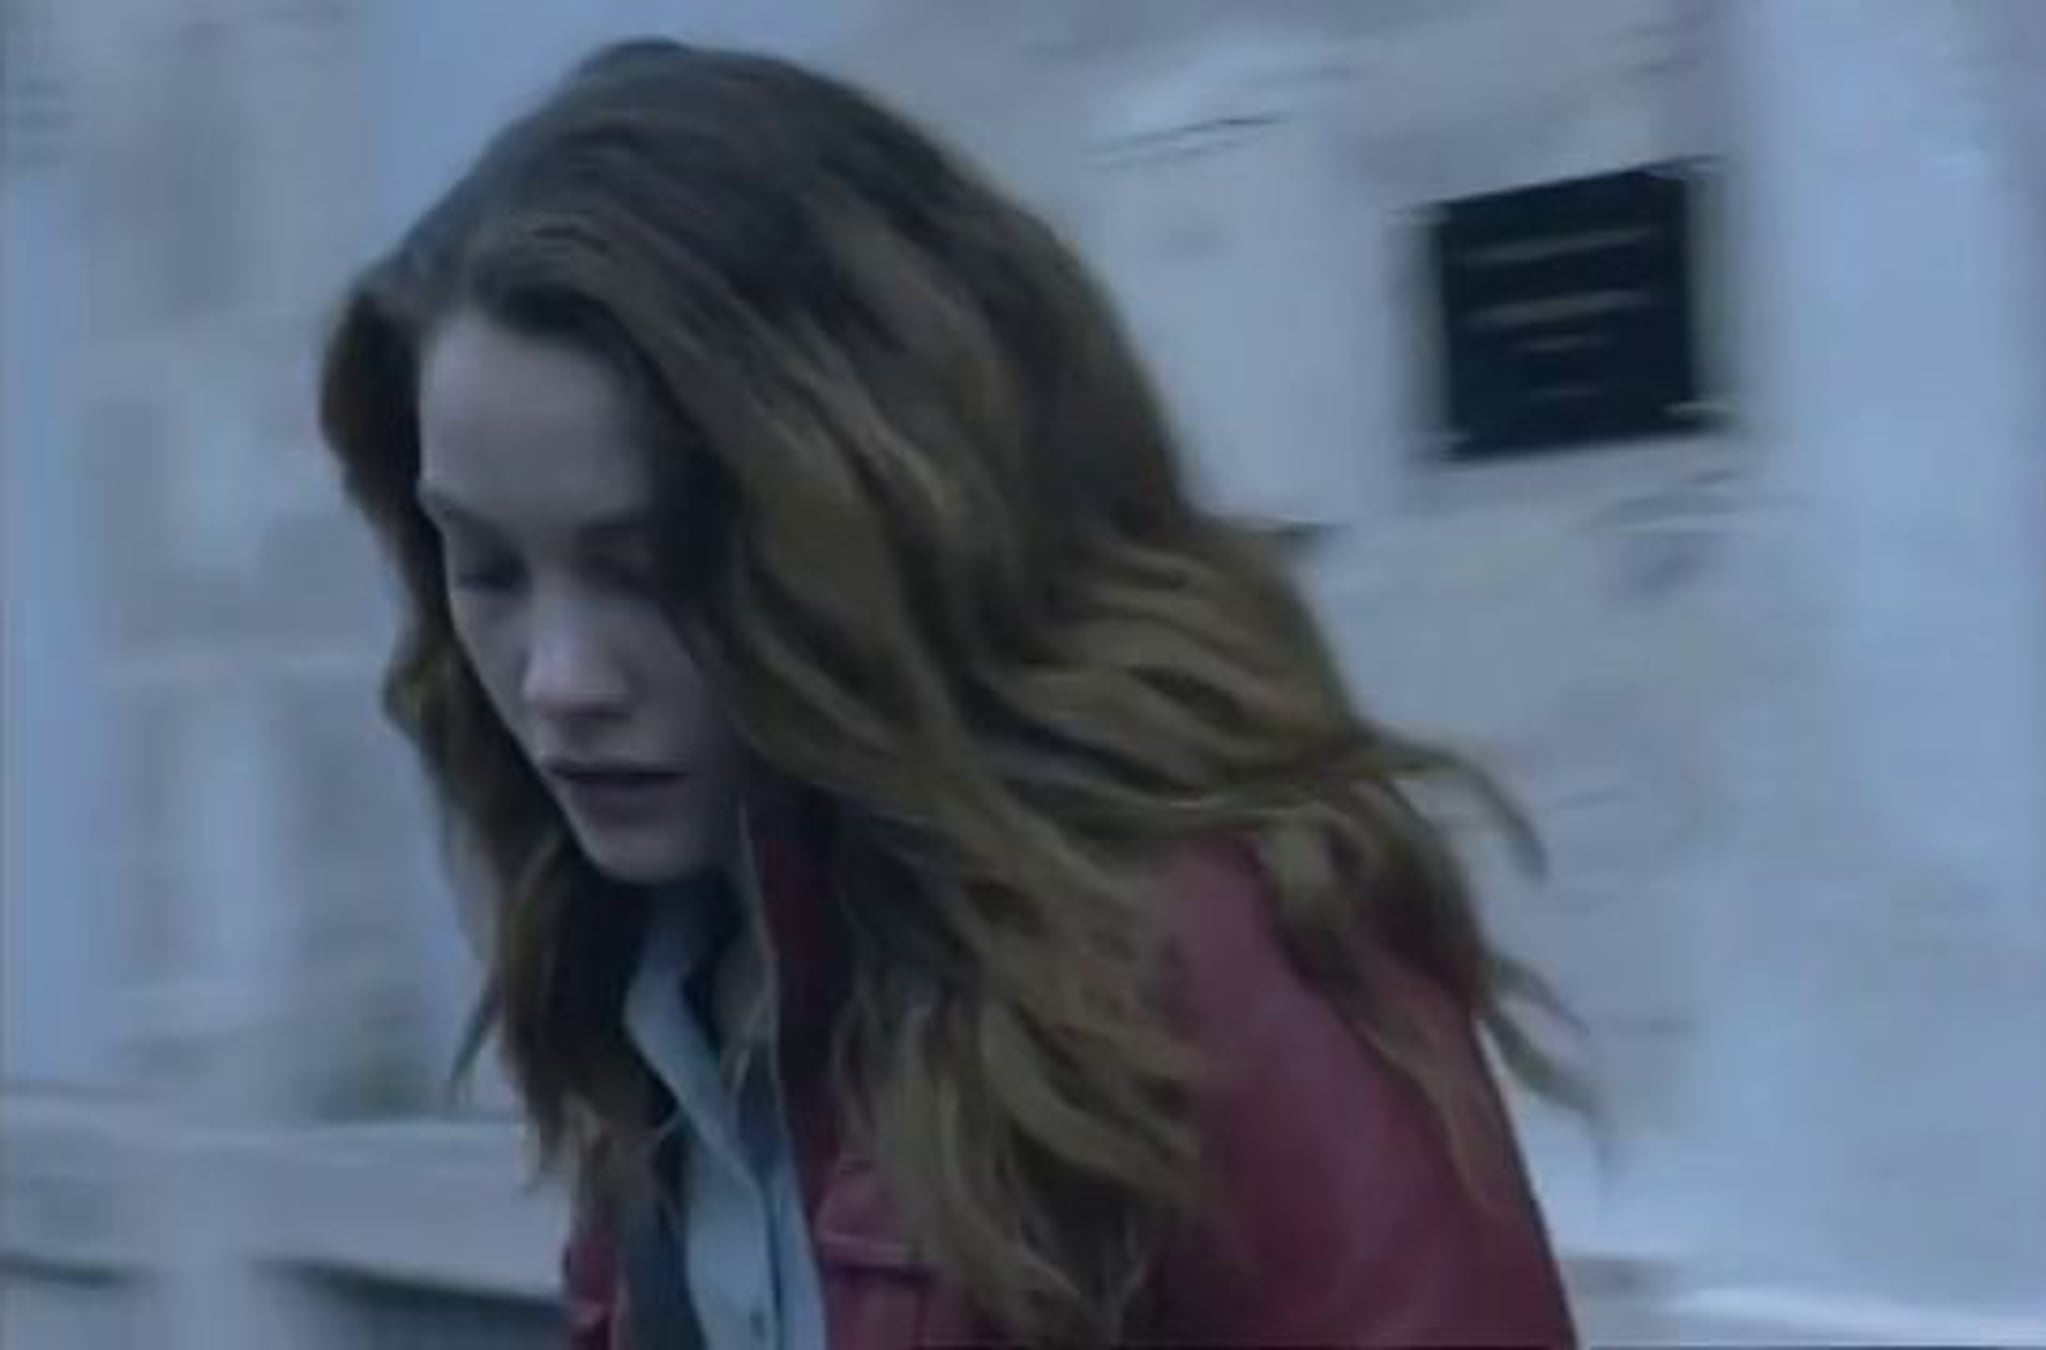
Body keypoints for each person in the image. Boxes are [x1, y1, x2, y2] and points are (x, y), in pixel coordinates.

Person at [318, 37, 1579, 1349]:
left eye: (651, 570)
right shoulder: (650, 943)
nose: (559, 681)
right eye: (487, 568)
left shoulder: (1209, 945)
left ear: (882, 526)